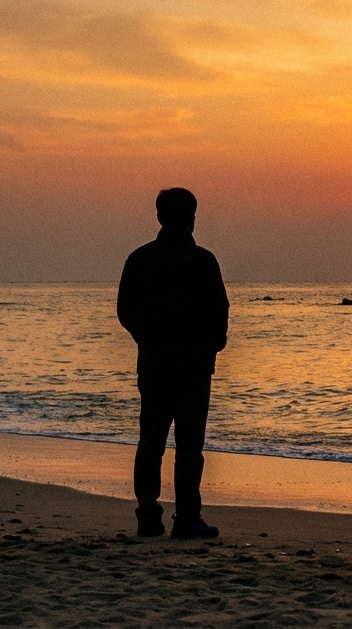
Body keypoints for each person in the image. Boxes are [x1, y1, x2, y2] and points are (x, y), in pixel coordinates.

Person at [117, 188, 229, 539]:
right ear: (191, 218)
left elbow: (125, 311)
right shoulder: (202, 260)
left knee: (151, 440)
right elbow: (219, 310)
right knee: (189, 445)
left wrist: (147, 338)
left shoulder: (140, 258)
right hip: (193, 366)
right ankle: (187, 517)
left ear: (160, 217)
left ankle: (148, 516)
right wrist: (213, 345)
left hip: (154, 364)